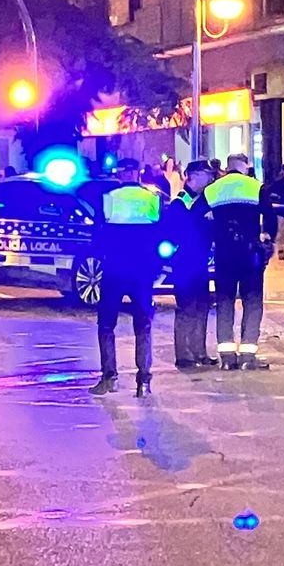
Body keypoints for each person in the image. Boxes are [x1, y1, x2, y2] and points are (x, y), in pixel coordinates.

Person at [90, 157, 162, 397]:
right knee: (143, 325)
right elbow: (159, 234)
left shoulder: (109, 198)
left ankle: (109, 378)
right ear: (137, 173)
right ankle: (144, 382)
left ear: (120, 174)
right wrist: (156, 266)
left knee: (106, 324)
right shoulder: (151, 198)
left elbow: (98, 234)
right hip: (142, 270)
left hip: (115, 269)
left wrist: (101, 257)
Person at [203, 151, 277, 370]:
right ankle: (247, 356)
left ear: (228, 167)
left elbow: (201, 217)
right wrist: (268, 239)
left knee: (225, 301)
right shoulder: (255, 186)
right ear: (244, 166)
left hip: (224, 253)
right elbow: (270, 218)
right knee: (252, 302)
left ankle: (227, 357)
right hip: (249, 253)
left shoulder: (213, 189)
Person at [166, 159, 215, 370]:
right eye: (207, 174)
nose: (211, 178)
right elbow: (179, 232)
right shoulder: (181, 202)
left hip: (200, 262)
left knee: (202, 305)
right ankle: (184, 354)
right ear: (193, 176)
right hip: (185, 263)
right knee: (186, 307)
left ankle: (199, 351)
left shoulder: (204, 201)